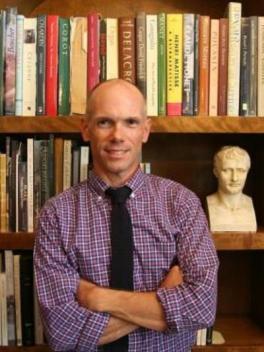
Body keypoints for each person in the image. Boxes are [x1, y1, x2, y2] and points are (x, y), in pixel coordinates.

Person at [34, 79, 219, 352]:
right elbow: (63, 332)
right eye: (105, 122)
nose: (117, 135)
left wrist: (99, 298)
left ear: (146, 130)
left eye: (131, 122)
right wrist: (163, 299)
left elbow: (201, 308)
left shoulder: (181, 204)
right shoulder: (56, 215)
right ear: (85, 129)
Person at [206, 146, 257, 232]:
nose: (234, 178)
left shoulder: (250, 203)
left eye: (241, 170)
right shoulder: (209, 202)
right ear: (216, 172)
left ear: (247, 172)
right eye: (227, 170)